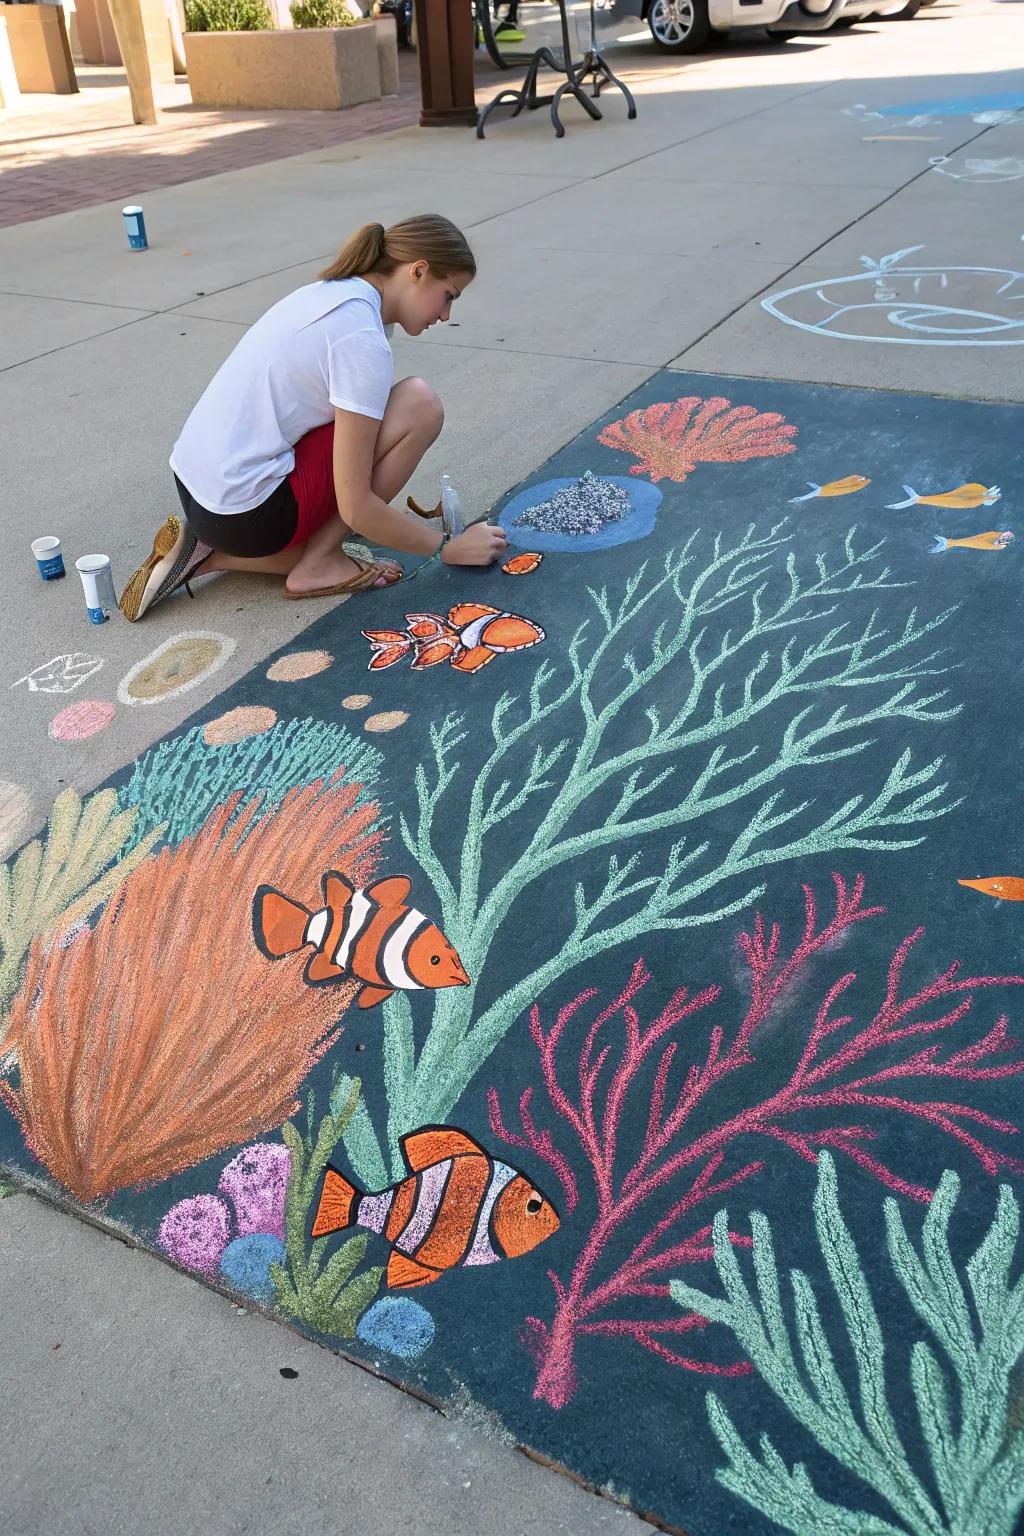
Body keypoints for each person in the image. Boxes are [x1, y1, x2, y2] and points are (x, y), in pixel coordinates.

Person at [119, 214, 507, 622]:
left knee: (356, 450)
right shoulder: (361, 337)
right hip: (248, 512)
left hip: (202, 492)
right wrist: (448, 546)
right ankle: (318, 563)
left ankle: (209, 556)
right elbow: (357, 508)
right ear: (418, 271)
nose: (446, 314)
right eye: (449, 295)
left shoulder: (335, 293)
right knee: (419, 405)